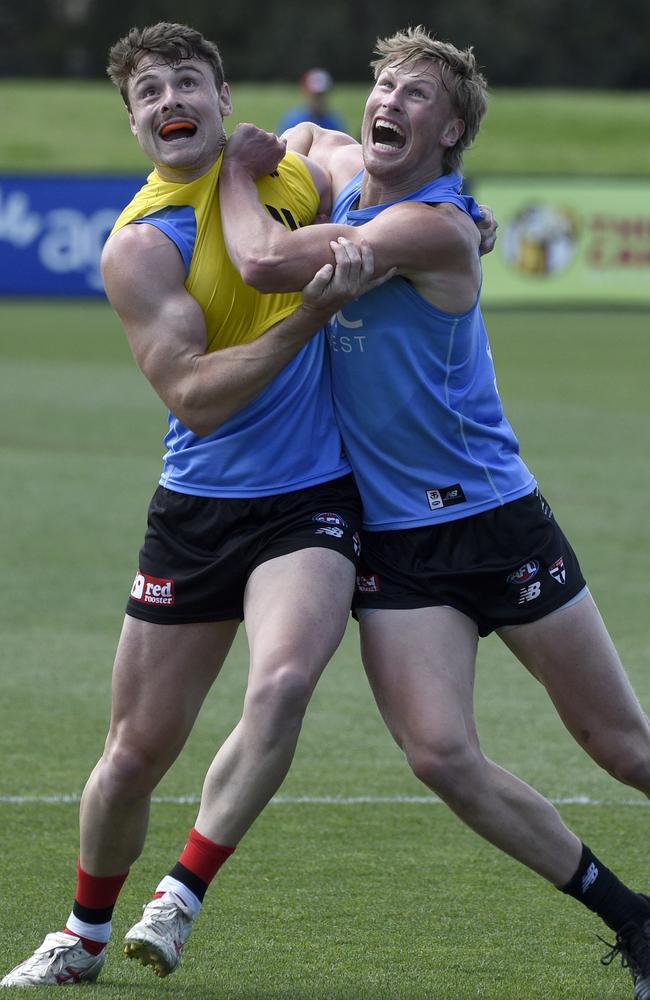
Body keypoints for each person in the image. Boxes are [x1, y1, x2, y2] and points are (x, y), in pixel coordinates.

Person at [217, 26, 650, 1000]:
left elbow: (263, 264)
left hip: (495, 521)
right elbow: (299, 136)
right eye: (385, 87)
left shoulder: (437, 229)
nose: (392, 104)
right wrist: (280, 143)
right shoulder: (339, 164)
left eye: (418, 97)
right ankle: (634, 921)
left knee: (622, 748)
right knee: (439, 754)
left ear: (450, 131)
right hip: (399, 544)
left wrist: (241, 177)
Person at [0, 21, 396, 989]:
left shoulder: (295, 163)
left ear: (224, 100)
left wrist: (457, 211)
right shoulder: (139, 245)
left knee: (284, 682)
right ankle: (83, 935)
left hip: (310, 500)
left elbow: (378, 173)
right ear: (135, 124)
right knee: (132, 754)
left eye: (187, 81)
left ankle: (178, 895)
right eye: (148, 92)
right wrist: (311, 311)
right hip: (198, 507)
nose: (168, 99)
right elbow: (196, 396)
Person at [277, 67, 346, 134]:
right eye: (315, 95)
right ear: (306, 93)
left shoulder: (334, 122)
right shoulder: (293, 121)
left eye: (321, 95)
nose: (318, 99)